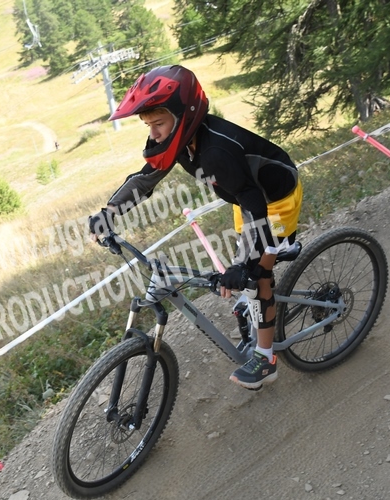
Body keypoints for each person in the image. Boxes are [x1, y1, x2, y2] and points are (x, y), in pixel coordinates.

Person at [87, 65, 302, 390]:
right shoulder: (183, 141)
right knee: (244, 267)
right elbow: (145, 179)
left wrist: (245, 267)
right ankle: (254, 300)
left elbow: (257, 210)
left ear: (183, 116)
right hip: (246, 198)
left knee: (258, 277)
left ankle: (265, 359)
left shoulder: (215, 152)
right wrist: (109, 212)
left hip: (275, 199)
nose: (153, 134)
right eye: (148, 125)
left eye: (158, 124)